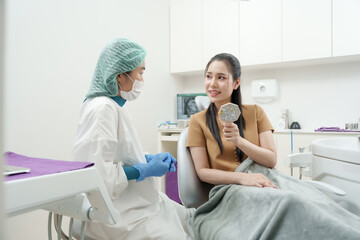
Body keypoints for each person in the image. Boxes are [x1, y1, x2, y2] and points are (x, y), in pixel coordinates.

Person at [186, 53, 360, 239]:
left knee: (317, 202)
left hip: (268, 177)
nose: (212, 84)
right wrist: (242, 178)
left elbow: (270, 160)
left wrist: (239, 141)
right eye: (209, 76)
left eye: (221, 77)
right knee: (289, 202)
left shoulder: (256, 112)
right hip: (232, 189)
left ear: (236, 83)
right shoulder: (198, 121)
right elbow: (203, 171)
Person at [72, 38, 193, 240]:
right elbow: (99, 175)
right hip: (121, 215)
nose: (142, 80)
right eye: (140, 72)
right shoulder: (103, 108)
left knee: (193, 220)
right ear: (120, 76)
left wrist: (147, 158)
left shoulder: (112, 107)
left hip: (140, 202)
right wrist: (144, 169)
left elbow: (117, 155)